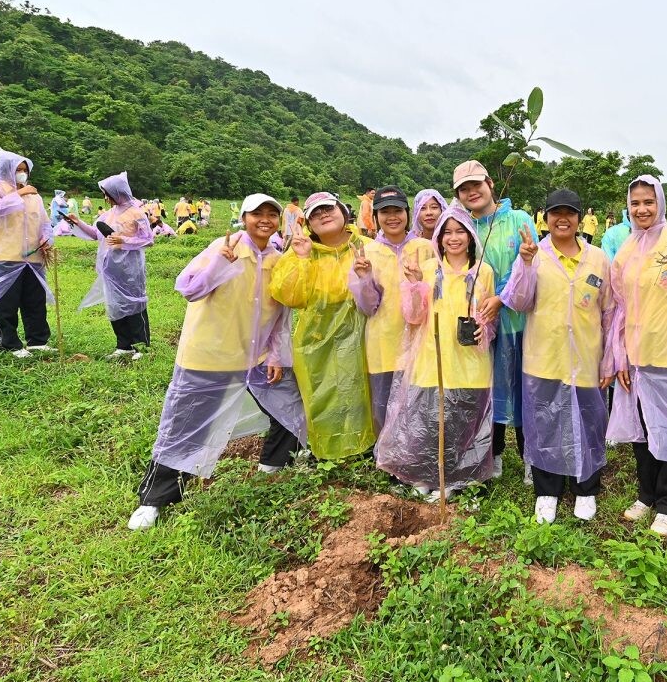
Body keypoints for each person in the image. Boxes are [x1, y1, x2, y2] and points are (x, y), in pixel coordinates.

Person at [127, 195, 308, 530]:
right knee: (185, 426)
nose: (265, 220)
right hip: (210, 354)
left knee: (289, 406)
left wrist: (277, 354)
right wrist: (220, 263)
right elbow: (189, 288)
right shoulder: (223, 247)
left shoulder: (277, 258)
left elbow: (282, 312)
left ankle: (274, 466)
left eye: (272, 214)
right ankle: (154, 499)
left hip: (256, 356)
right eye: (257, 214)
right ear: (243, 216)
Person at [501, 189, 614, 523]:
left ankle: (585, 488)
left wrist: (610, 357)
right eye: (555, 213)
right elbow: (518, 301)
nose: (562, 219)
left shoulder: (597, 257)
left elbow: (609, 310)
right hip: (544, 357)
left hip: (587, 358)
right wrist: (523, 263)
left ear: (580, 218)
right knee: (544, 424)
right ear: (546, 217)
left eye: (570, 212)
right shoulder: (534, 254)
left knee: (588, 422)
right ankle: (547, 490)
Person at [376, 206, 497, 501]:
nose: (453, 238)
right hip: (431, 362)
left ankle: (458, 480)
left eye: (460, 232)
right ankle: (423, 475)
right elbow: (413, 317)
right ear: (439, 238)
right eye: (447, 233)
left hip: (470, 365)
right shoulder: (429, 270)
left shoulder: (484, 271)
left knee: (461, 426)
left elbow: (489, 320)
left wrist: (484, 329)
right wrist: (415, 284)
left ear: (470, 236)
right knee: (428, 425)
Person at [607, 175, 667, 537]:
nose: (642, 209)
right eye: (635, 203)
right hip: (637, 355)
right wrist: (619, 357)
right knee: (644, 430)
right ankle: (646, 495)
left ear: (660, 202)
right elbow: (618, 309)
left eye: (649, 201)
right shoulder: (626, 250)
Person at [269, 192, 378, 460]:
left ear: (343, 212)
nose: (324, 215)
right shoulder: (300, 252)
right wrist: (303, 258)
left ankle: (365, 447)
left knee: (361, 391)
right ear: (308, 223)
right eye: (316, 214)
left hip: (362, 336)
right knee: (321, 393)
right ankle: (325, 452)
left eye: (329, 209)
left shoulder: (367, 247)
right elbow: (289, 296)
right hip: (316, 340)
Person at [453, 159, 538, 483]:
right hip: (479, 326)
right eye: (464, 188)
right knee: (489, 390)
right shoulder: (464, 227)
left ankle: (530, 456)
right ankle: (494, 454)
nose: (471, 191)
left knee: (523, 389)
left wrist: (501, 297)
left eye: (476, 184)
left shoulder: (518, 220)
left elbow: (529, 265)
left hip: (517, 323)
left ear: (490, 183)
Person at [363, 186, 437, 432]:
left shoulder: (424, 247)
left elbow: (435, 294)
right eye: (385, 212)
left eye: (397, 210)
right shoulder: (368, 251)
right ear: (375, 218)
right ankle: (387, 460)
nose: (392, 217)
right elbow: (367, 305)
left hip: (418, 341)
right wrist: (363, 279)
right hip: (382, 343)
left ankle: (413, 460)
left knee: (417, 404)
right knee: (384, 405)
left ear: (407, 213)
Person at [0, 149, 56, 357]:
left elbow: (45, 223)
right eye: (17, 170)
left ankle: (37, 341)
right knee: (5, 303)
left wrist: (46, 239)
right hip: (4, 256)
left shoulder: (34, 196)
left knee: (34, 301)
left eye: (25, 170)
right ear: (6, 170)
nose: (22, 174)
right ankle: (9, 344)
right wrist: (19, 193)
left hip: (33, 257)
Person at [66, 172, 154, 360]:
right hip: (110, 268)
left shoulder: (137, 213)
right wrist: (77, 222)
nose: (106, 198)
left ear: (119, 192)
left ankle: (141, 345)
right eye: (104, 194)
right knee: (115, 305)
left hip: (130, 268)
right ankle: (123, 345)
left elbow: (148, 240)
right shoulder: (108, 214)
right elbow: (95, 234)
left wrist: (123, 240)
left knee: (135, 304)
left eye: (109, 194)